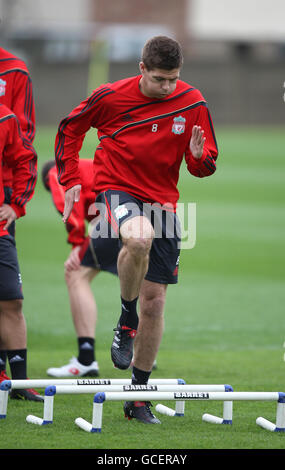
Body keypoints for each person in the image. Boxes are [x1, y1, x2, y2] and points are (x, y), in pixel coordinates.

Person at [55, 36, 218, 423]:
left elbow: (206, 163)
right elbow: (69, 129)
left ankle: (138, 397)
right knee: (138, 237)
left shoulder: (193, 102)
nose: (167, 87)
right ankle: (126, 318)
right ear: (142, 69)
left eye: (173, 79)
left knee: (156, 302)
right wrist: (70, 176)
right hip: (118, 188)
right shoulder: (110, 97)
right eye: (160, 78)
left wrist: (199, 158)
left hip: (165, 200)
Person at [42, 158, 101, 377]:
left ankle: (86, 359)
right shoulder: (86, 167)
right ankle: (141, 357)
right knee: (138, 277)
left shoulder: (57, 172)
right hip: (144, 209)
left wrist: (77, 244)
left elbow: (69, 204)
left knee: (75, 274)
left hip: (113, 214)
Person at [0, 46, 37, 395]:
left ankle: (20, 382)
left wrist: (17, 204)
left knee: (11, 298)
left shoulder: (4, 118)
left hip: (1, 219)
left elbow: (24, 156)